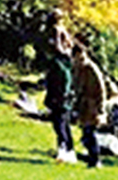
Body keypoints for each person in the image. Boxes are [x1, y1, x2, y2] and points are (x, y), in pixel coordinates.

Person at [72, 42, 109, 169]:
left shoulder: (90, 68)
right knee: (86, 134)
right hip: (84, 105)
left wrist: (101, 108)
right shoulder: (78, 68)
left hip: (92, 106)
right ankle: (92, 157)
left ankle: (95, 158)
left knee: (90, 133)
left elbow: (101, 88)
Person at [44, 28, 76, 162]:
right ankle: (69, 150)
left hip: (60, 98)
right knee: (64, 124)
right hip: (65, 98)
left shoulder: (59, 65)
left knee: (60, 125)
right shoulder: (68, 64)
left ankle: (63, 150)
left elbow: (53, 83)